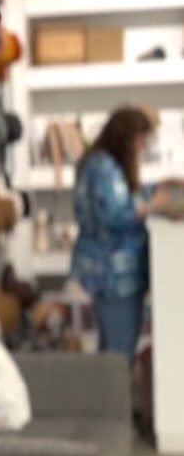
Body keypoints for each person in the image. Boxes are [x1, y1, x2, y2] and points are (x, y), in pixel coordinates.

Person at [72, 106, 182, 363]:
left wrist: (158, 187)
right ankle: (114, 403)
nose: (142, 147)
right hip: (115, 277)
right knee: (119, 354)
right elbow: (117, 214)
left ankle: (106, 402)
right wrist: (156, 204)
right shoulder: (104, 167)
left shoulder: (100, 163)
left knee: (111, 350)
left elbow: (122, 197)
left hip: (109, 274)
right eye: (141, 140)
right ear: (128, 138)